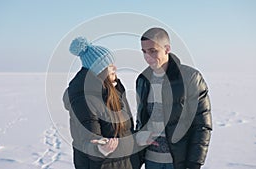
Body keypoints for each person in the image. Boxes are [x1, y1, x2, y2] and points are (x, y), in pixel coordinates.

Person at [135, 27, 212, 169]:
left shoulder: (190, 78)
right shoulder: (142, 80)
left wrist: (194, 163)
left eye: (153, 51)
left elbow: (202, 125)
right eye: (144, 52)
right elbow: (141, 121)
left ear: (167, 49)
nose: (148, 57)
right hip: (151, 161)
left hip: (178, 162)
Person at [63, 37, 139, 169]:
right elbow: (88, 142)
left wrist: (139, 143)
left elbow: (124, 131)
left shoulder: (115, 90)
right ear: (100, 71)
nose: (115, 68)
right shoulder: (85, 99)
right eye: (110, 66)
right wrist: (101, 149)